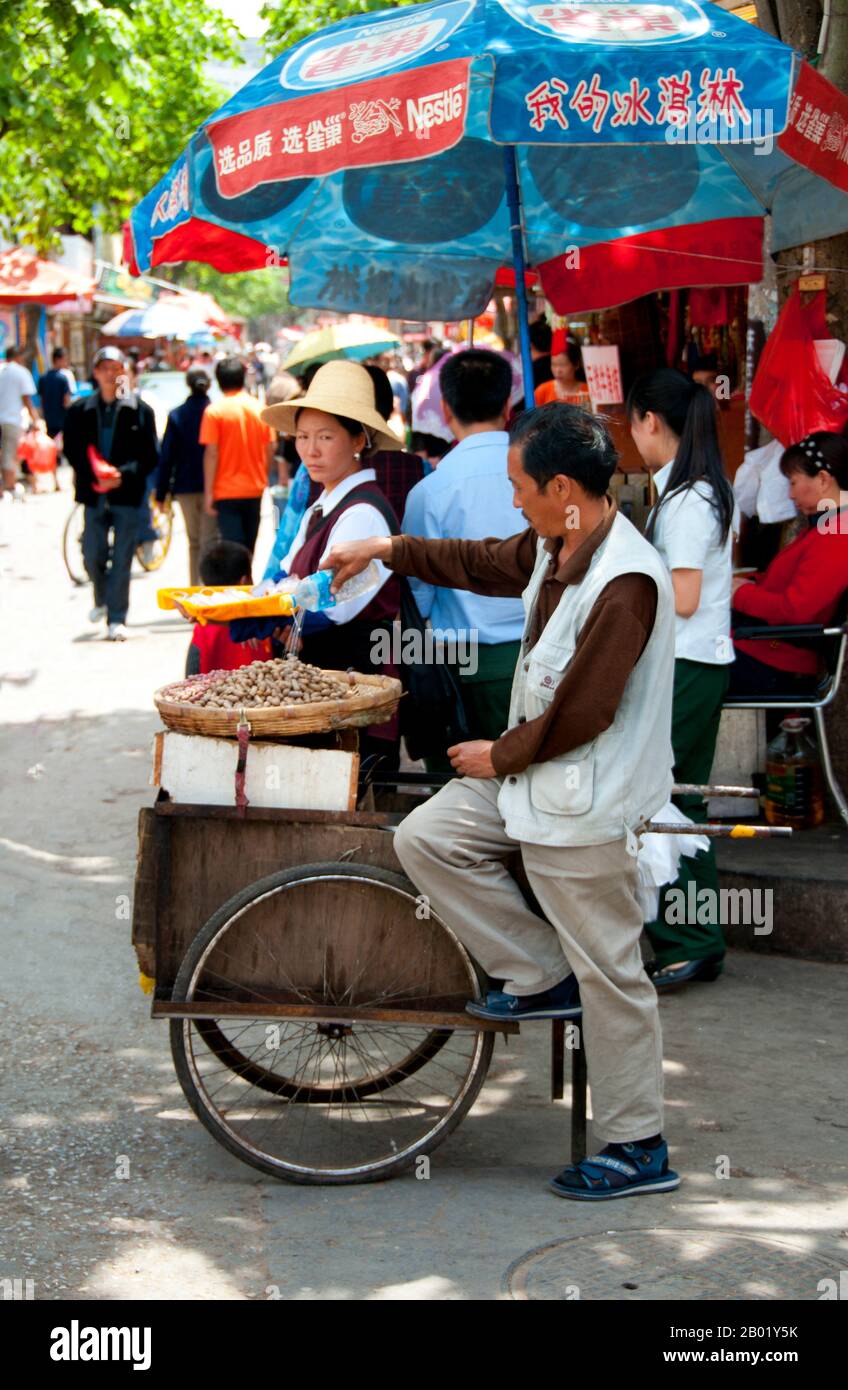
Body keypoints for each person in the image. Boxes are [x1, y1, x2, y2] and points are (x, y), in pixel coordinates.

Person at [326, 404, 680, 1202]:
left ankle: (638, 1146)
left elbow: (587, 711)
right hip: (533, 781)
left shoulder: (626, 580)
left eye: (521, 486)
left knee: (614, 977)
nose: (513, 500)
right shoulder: (555, 541)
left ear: (563, 488)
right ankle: (535, 969)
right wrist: (386, 549)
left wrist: (499, 753)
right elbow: (482, 559)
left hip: (587, 800)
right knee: (427, 838)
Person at [627, 367, 737, 990]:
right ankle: (694, 939)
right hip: (692, 662)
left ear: (651, 421)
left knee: (671, 799)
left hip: (687, 663)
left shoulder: (688, 498)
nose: (632, 436)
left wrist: (619, 589)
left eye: (633, 423)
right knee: (677, 797)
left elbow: (686, 595)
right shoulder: (694, 489)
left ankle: (690, 941)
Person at [257, 361, 404, 764]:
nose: (310, 450)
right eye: (302, 437)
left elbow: (336, 603)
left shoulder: (362, 513)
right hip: (323, 685)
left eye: (326, 436)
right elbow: (285, 577)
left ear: (358, 439)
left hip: (354, 684)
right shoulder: (322, 504)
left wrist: (276, 613)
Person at [401, 348, 525, 772]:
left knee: (462, 805)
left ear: (446, 408)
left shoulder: (430, 491)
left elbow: (419, 594)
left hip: (463, 663)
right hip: (540, 655)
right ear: (508, 405)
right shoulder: (546, 478)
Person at [730, 431, 848, 695]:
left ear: (823, 479)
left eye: (793, 483)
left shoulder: (838, 535)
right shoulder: (827, 528)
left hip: (776, 663)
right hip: (768, 654)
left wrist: (740, 594)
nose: (790, 494)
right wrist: (747, 583)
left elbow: (796, 610)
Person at [63, 346, 159, 640]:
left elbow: (150, 455)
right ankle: (101, 597)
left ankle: (116, 616)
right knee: (91, 553)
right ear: (95, 373)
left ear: (124, 373)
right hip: (94, 495)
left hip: (127, 495)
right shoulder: (80, 410)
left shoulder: (140, 411)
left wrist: (122, 475)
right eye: (104, 368)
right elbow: (72, 450)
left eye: (115, 368)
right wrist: (95, 477)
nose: (110, 374)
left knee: (122, 557)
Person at [199, 356, 275, 555]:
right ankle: (247, 584)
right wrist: (263, 477)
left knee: (233, 552)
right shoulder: (259, 408)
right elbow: (271, 447)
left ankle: (239, 586)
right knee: (249, 549)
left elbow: (212, 454)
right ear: (243, 378)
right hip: (254, 489)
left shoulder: (214, 412)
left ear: (218, 381)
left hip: (226, 491)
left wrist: (208, 493)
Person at [155, 369, 219, 585]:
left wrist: (161, 491)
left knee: (194, 541)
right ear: (209, 384)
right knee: (210, 540)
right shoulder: (216, 412)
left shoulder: (177, 415)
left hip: (184, 487)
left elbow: (166, 457)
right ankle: (210, 590)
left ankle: (195, 589)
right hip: (215, 486)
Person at [186, 540, 273, 675]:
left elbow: (191, 674)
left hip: (211, 695)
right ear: (244, 581)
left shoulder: (203, 627)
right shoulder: (263, 621)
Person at [0, 345, 39, 496]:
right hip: (12, 419)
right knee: (10, 454)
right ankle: (9, 487)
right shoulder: (21, 372)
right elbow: (27, 399)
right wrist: (36, 420)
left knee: (3, 453)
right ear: (18, 357)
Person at [534, 331, 590, 407]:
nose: (557, 370)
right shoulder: (542, 391)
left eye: (563, 365)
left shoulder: (588, 391)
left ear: (576, 364)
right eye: (554, 364)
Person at [38, 347, 76, 441]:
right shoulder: (63, 378)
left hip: (48, 421)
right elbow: (66, 402)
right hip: (62, 421)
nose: (67, 363)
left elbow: (41, 401)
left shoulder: (43, 378)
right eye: (65, 360)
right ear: (58, 360)